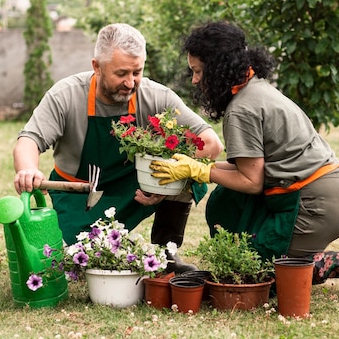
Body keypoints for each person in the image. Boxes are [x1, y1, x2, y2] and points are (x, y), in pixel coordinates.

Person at [150, 21, 339, 303]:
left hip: (315, 203)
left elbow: (251, 182)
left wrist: (201, 170)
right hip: (327, 194)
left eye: (198, 71)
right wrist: (199, 168)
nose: (194, 80)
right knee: (225, 201)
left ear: (218, 68)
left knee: (252, 275)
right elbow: (251, 169)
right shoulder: (257, 89)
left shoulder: (242, 109)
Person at [13, 23, 223, 274]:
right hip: (78, 195)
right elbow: (29, 140)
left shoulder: (156, 96)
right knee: (73, 260)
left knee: (191, 177)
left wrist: (164, 185)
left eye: (137, 72)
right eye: (121, 73)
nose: (130, 82)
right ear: (97, 67)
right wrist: (27, 170)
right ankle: (116, 246)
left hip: (134, 190)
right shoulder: (66, 95)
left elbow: (211, 144)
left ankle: (167, 256)